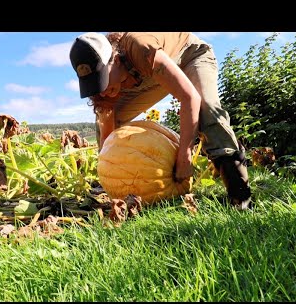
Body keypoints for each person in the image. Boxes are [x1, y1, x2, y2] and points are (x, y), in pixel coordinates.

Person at [69, 32, 252, 210]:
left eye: (103, 79)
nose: (102, 90)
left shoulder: (140, 47)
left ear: (115, 60)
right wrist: (110, 174)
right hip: (144, 77)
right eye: (95, 84)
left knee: (206, 108)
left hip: (189, 57)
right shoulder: (108, 85)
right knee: (105, 116)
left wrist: (184, 156)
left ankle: (239, 193)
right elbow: (108, 135)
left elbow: (190, 98)